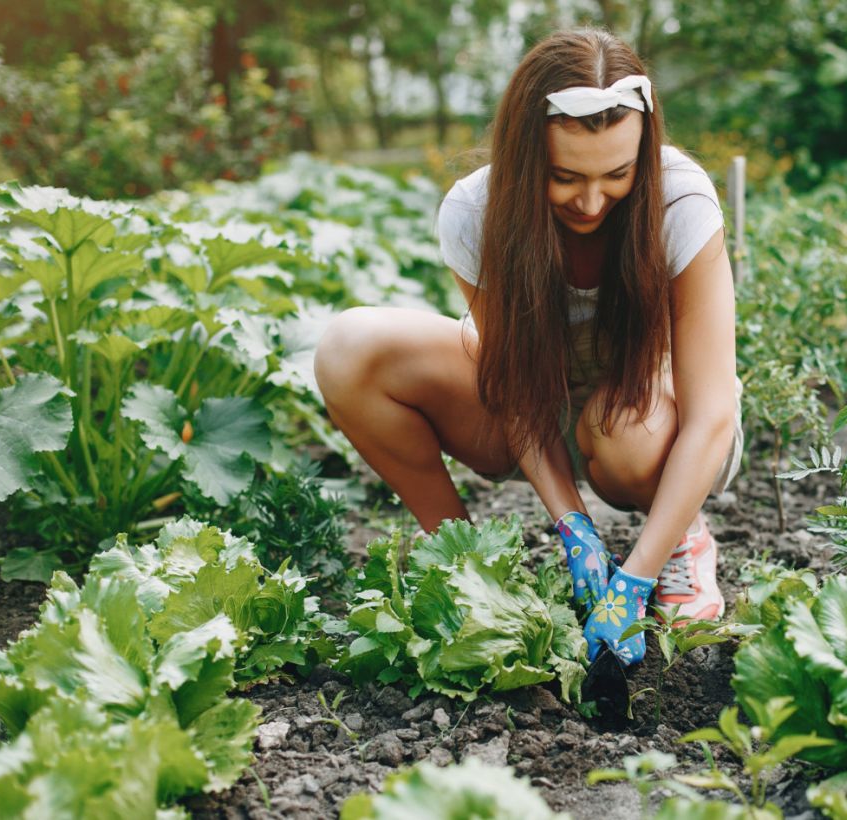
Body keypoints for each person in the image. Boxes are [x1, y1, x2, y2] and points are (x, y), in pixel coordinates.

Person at [313, 27, 742, 666]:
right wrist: (574, 528)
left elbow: (712, 415)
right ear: (523, 155)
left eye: (618, 174)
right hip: (537, 408)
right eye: (565, 176)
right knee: (348, 348)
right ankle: (467, 561)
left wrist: (634, 579)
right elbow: (515, 386)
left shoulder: (679, 199)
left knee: (624, 432)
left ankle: (679, 539)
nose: (591, 202)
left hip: (651, 423)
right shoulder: (476, 211)